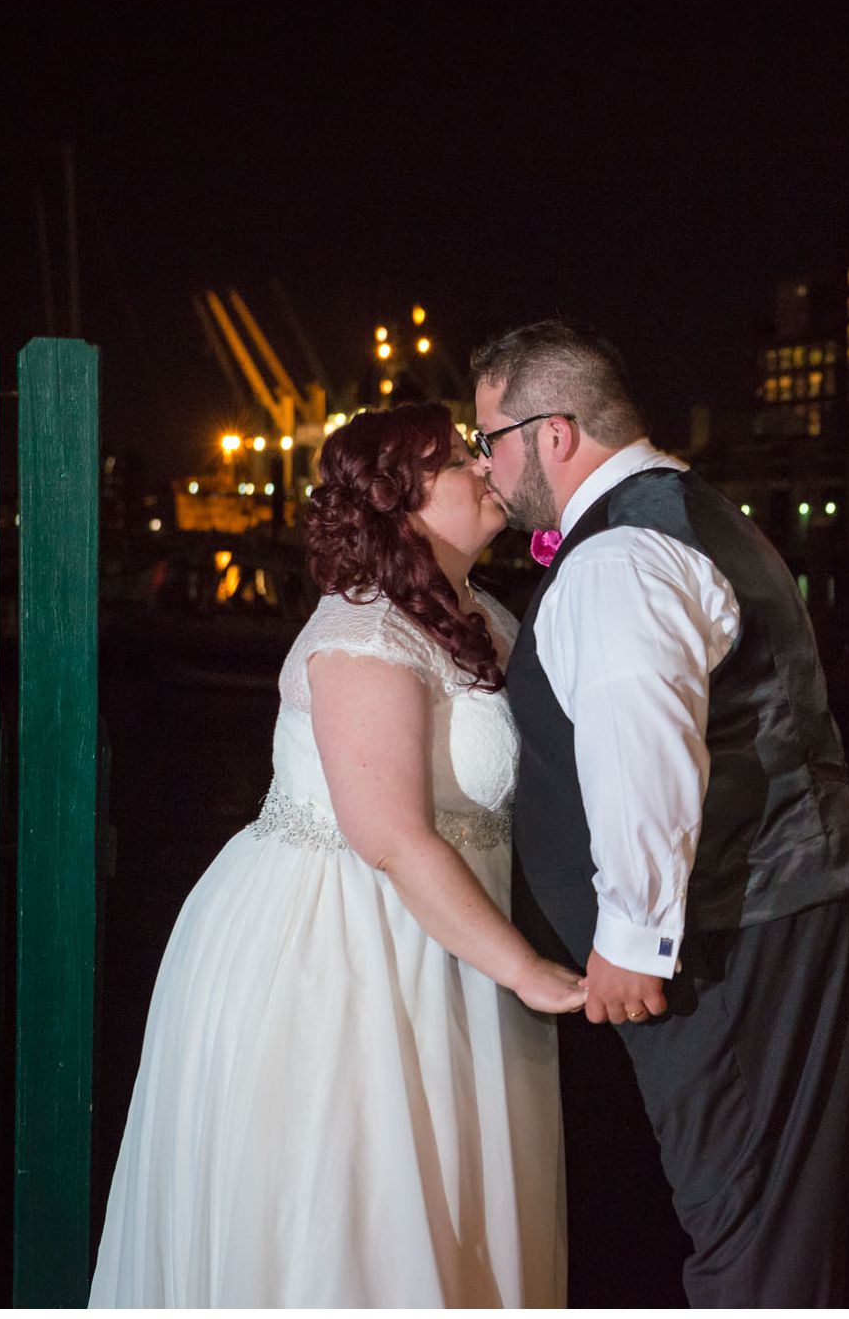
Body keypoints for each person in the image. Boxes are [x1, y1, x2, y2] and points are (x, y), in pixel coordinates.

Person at [90, 403, 586, 1307]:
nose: (485, 468)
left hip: (451, 940)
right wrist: (527, 972)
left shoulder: (490, 621)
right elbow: (392, 837)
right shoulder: (363, 633)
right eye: (457, 460)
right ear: (399, 500)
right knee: (350, 1222)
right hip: (342, 952)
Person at [470, 320, 849, 1307]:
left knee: (741, 1216)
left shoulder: (620, 556)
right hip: (785, 909)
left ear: (555, 432)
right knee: (764, 1211)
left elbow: (644, 747)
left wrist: (632, 938)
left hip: (737, 931)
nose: (486, 464)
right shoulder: (691, 511)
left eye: (491, 436)